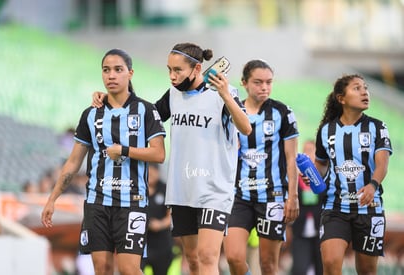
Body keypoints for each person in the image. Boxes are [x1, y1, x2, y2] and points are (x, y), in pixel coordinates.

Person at [93, 42, 252, 275]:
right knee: (193, 259)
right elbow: (143, 114)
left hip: (214, 190)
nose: (172, 76)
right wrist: (109, 97)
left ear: (197, 69)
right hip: (181, 190)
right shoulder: (173, 95)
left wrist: (226, 95)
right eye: (169, 70)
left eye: (178, 70)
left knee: (208, 256)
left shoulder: (223, 94)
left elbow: (246, 127)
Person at [41, 48, 166, 275]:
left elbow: (159, 154)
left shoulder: (146, 110)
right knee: (102, 268)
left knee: (130, 269)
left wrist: (124, 150)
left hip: (132, 202)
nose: (111, 75)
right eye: (106, 70)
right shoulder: (90, 114)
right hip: (97, 203)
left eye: (118, 70)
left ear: (130, 73)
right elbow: (73, 162)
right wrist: (53, 198)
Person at [223, 59, 299, 275]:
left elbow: (291, 158)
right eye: (258, 82)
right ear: (244, 83)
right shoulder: (230, 112)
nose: (264, 87)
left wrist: (292, 196)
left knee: (267, 265)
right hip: (239, 196)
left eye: (268, 82)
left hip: (272, 196)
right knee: (234, 258)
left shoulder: (283, 113)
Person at [313, 74, 392, 275]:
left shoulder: (377, 126)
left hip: (369, 209)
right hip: (335, 208)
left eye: (365, 88)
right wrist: (312, 175)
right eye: (357, 88)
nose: (365, 92)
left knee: (367, 270)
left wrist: (373, 185)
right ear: (341, 98)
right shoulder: (326, 130)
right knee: (330, 264)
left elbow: (382, 164)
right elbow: (321, 164)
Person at [290, 140, 323, 275]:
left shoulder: (324, 177)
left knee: (322, 268)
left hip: (320, 230)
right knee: (299, 269)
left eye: (311, 150)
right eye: (305, 150)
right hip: (300, 230)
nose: (307, 154)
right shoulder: (294, 179)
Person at [141, 163, 173, 275]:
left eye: (153, 171)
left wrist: (160, 224)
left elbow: (171, 215)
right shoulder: (139, 189)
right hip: (142, 241)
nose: (150, 175)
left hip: (161, 242)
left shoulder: (165, 189)